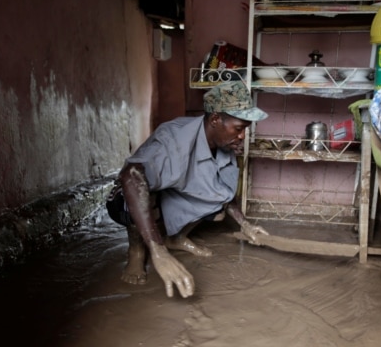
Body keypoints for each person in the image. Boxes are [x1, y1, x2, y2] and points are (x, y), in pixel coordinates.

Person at [106, 81, 270, 299]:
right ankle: (136, 251)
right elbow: (131, 176)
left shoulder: (223, 146)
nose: (242, 136)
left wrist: (245, 224)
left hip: (172, 191)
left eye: (245, 130)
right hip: (125, 197)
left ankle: (176, 238)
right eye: (239, 129)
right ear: (215, 120)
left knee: (216, 205)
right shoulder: (174, 138)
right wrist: (158, 252)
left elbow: (224, 193)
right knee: (138, 195)